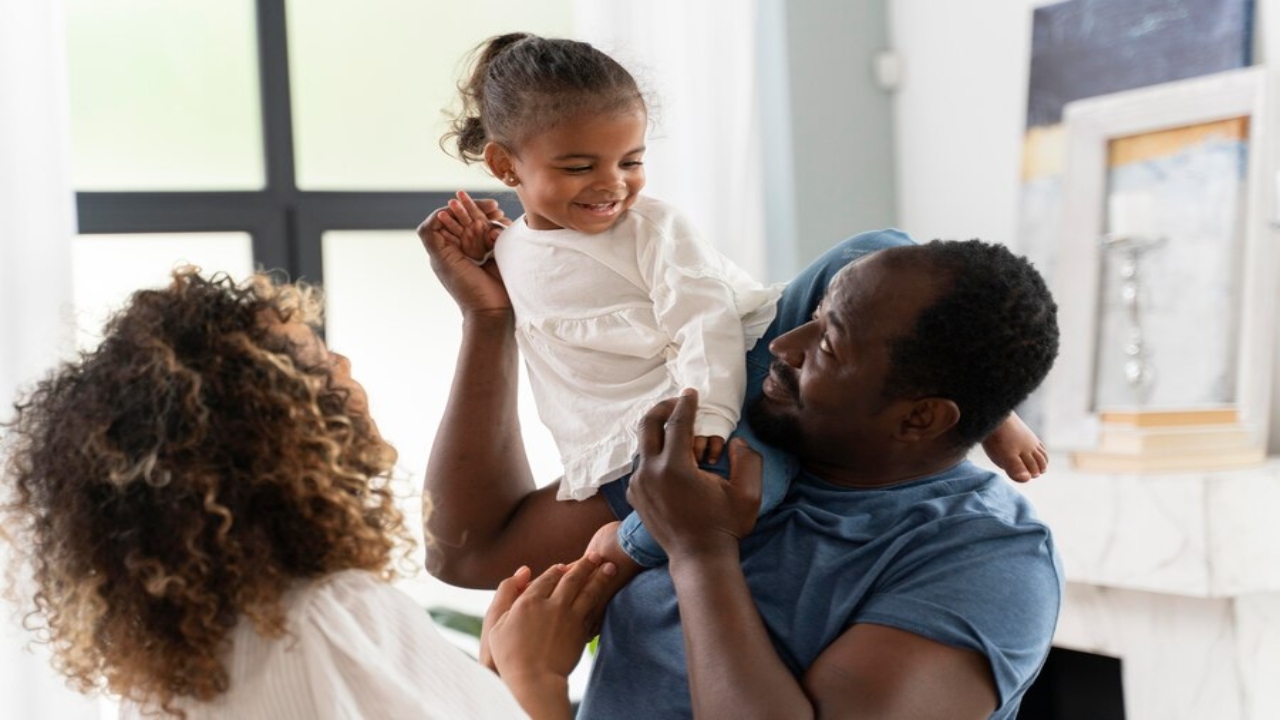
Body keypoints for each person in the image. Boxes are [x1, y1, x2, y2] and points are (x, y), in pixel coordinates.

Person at [431, 32, 1047, 572]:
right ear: (505, 165)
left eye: (632, 160)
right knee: (741, 486)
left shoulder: (652, 227)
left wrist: (711, 418)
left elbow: (706, 321)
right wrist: (488, 270)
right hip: (649, 432)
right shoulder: (510, 252)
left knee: (880, 244)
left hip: (743, 357)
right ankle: (634, 545)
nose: (612, 184)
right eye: (578, 166)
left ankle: (988, 410)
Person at [419, 219, 1063, 718]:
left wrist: (700, 552)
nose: (785, 346)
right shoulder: (731, 447)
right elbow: (470, 552)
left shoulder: (987, 559)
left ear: (922, 419)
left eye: (828, 344)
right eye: (810, 319)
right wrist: (490, 319)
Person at [0, 268, 613, 720]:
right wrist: (537, 676)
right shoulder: (328, 617)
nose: (342, 359)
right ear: (269, 430)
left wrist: (487, 684)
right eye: (314, 358)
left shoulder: (177, 676)